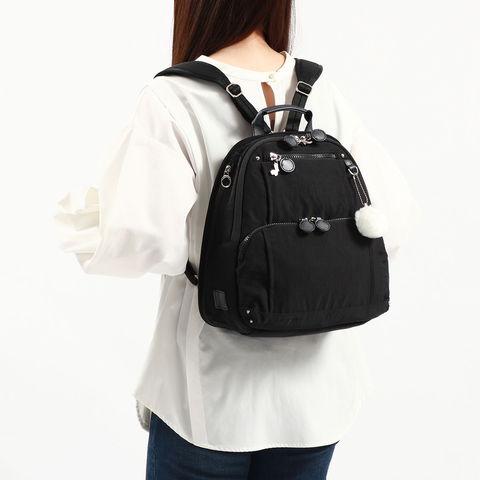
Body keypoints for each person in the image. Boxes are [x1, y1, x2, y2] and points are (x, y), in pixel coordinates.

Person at [54, 0, 416, 478]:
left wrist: (81, 222)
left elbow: (146, 239)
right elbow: (391, 222)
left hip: (211, 397)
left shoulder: (174, 96)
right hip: (319, 395)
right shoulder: (322, 89)